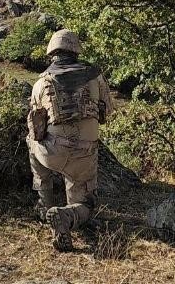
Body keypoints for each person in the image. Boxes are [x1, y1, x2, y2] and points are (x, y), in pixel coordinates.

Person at [27, 29, 113, 251]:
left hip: (52, 154)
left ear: (51, 53)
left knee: (31, 142)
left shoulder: (41, 83)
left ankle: (44, 204)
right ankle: (66, 215)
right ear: (76, 50)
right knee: (85, 204)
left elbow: (37, 127)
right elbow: (107, 113)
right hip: (84, 154)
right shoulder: (95, 76)